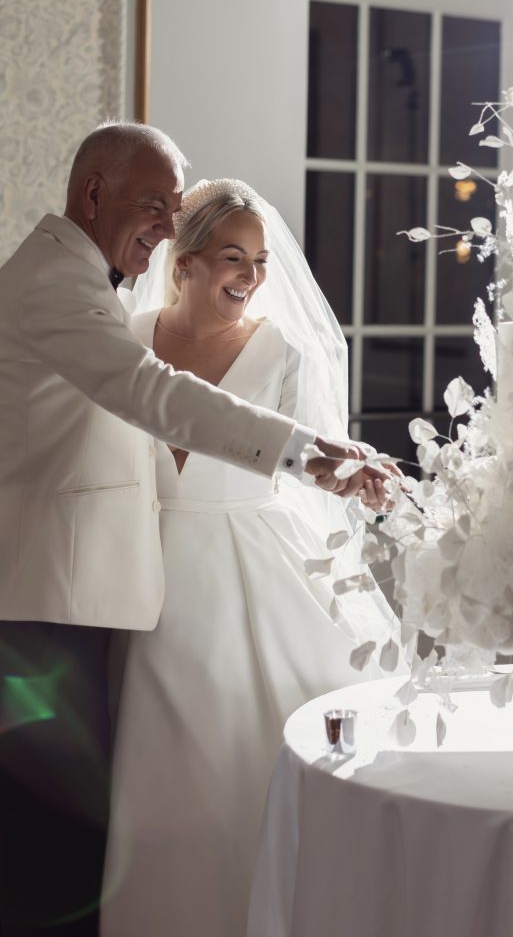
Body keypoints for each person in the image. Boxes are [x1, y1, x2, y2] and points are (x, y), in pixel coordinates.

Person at [0, 124, 387, 937]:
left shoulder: (82, 281)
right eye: (153, 207)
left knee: (95, 824)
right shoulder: (59, 285)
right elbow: (151, 393)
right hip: (46, 602)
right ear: (94, 193)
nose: (168, 229)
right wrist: (307, 454)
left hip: (112, 592)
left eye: (176, 211)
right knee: (53, 840)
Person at [101, 179, 398, 937]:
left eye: (261, 261)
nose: (253, 275)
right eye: (234, 257)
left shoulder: (282, 349)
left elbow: (312, 463)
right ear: (185, 262)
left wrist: (352, 479)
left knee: (247, 764)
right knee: (164, 778)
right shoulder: (127, 341)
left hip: (251, 563)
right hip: (146, 572)